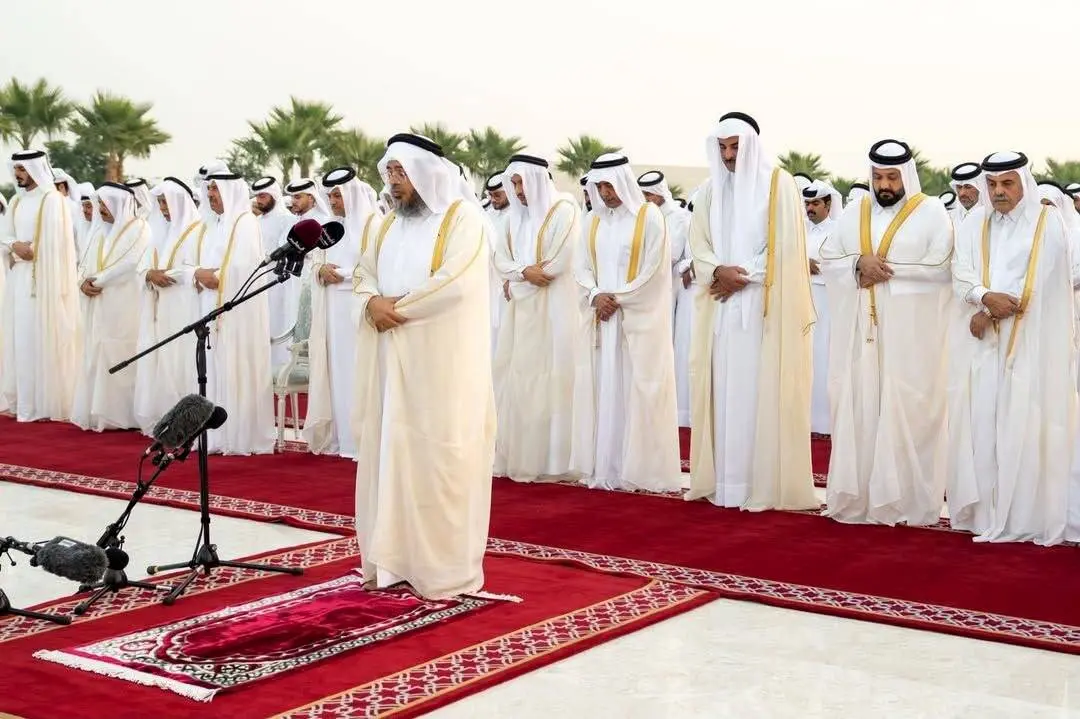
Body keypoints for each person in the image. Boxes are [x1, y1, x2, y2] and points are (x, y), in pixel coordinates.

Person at [351, 133, 495, 599]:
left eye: (402, 172)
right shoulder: (385, 225)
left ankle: (440, 569)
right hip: (390, 362)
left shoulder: (462, 218)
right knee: (391, 456)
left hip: (442, 364)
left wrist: (394, 308)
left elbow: (456, 282)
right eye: (390, 172)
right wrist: (371, 302)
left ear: (427, 173)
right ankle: (391, 562)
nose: (394, 181)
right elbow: (363, 273)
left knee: (438, 458)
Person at [685, 113, 818, 510]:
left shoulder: (779, 185)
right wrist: (717, 272)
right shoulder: (709, 191)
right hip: (720, 307)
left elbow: (786, 246)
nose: (728, 156)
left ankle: (760, 484)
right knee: (722, 389)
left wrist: (741, 275)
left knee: (759, 391)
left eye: (735, 147)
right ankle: (726, 483)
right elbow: (698, 244)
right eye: (722, 148)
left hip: (763, 305)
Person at [820, 139, 954, 526]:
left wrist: (885, 271)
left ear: (907, 176)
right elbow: (828, 257)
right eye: (878, 177)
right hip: (861, 333)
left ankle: (908, 503)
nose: (884, 185)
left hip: (911, 339)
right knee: (859, 406)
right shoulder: (855, 211)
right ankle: (860, 498)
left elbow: (942, 267)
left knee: (910, 411)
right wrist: (856, 264)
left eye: (892, 177)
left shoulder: (932, 212)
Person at [948, 152, 1076, 545]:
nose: (999, 191)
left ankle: (1024, 513)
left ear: (1023, 182)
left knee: (1024, 419)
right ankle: (986, 513)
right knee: (984, 420)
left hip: (1030, 340)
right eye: (992, 184)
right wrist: (982, 296)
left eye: (1007, 183)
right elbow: (960, 270)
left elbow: (1039, 281)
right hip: (983, 344)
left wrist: (988, 311)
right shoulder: (975, 223)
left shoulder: (1046, 222)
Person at [571, 153, 681, 492]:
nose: (605, 193)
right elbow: (580, 266)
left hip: (636, 319)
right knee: (604, 387)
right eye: (600, 187)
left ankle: (639, 470)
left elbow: (655, 270)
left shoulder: (649, 217)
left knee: (638, 387)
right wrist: (594, 295)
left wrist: (617, 299)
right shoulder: (592, 221)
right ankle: (605, 465)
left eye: (610, 185)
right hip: (603, 319)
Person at [492, 154, 583, 482]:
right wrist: (521, 274)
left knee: (554, 377)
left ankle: (554, 461)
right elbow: (500, 260)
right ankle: (521, 455)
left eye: (522, 183)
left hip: (556, 308)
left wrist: (516, 282)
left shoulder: (565, 210)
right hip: (520, 314)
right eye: (513, 183)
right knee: (519, 377)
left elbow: (558, 264)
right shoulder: (510, 219)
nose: (518, 191)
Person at [193, 170, 275, 455]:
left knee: (234, 366)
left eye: (215, 189)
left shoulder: (245, 222)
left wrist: (213, 276)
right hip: (210, 306)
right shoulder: (214, 224)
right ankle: (213, 433)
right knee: (213, 369)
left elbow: (245, 268)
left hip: (236, 313)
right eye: (209, 189)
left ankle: (237, 434)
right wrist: (197, 274)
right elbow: (198, 264)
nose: (210, 195)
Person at [303, 167, 380, 459]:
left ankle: (361, 440)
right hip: (332, 312)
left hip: (360, 310)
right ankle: (340, 437)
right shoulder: (329, 229)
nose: (333, 202)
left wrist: (344, 274)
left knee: (359, 370)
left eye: (338, 195)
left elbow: (378, 267)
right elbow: (314, 263)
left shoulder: (374, 225)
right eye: (330, 196)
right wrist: (320, 270)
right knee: (336, 372)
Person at [0, 150, 82, 421]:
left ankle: (42, 404)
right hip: (19, 280)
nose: (18, 174)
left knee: (38, 339)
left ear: (35, 169)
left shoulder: (52, 200)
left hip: (44, 281)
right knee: (20, 339)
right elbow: (4, 235)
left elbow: (57, 241)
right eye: (16, 169)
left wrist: (31, 248)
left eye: (22, 169)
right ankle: (24, 402)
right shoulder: (15, 202)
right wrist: (14, 245)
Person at [71, 183, 150, 431]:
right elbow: (83, 262)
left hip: (124, 303)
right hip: (97, 303)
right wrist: (81, 282)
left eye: (105, 203)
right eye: (100, 203)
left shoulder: (140, 228)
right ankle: (100, 414)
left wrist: (97, 281)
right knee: (97, 353)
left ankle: (123, 416)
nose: (101, 208)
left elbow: (130, 262)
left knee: (122, 354)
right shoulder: (98, 230)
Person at [133, 177, 204, 435]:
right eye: (160, 203)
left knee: (182, 364)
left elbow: (199, 271)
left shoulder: (199, 231)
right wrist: (149, 274)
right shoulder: (159, 232)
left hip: (185, 310)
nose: (163, 208)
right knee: (162, 364)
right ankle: (164, 419)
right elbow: (141, 267)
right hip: (159, 310)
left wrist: (168, 275)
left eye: (166, 202)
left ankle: (187, 421)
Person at [639, 170, 694, 427]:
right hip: (643, 289)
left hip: (669, 289)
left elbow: (671, 254)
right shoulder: (642, 215)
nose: (646, 199)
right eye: (643, 195)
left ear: (660, 193)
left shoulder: (678, 217)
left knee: (667, 343)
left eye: (650, 194)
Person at [803, 179, 843, 436]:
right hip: (800, 301)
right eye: (807, 203)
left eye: (815, 203)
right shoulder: (799, 230)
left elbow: (842, 264)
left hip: (826, 303)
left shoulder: (838, 231)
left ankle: (824, 423)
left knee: (823, 359)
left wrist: (813, 265)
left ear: (828, 205)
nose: (810, 208)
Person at [251, 176, 300, 367]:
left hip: (278, 284)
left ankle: (279, 368)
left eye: (263, 196)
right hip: (258, 283)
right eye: (257, 196)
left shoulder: (288, 219)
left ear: (274, 195)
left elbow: (282, 249)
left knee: (278, 323)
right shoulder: (256, 221)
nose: (259, 200)